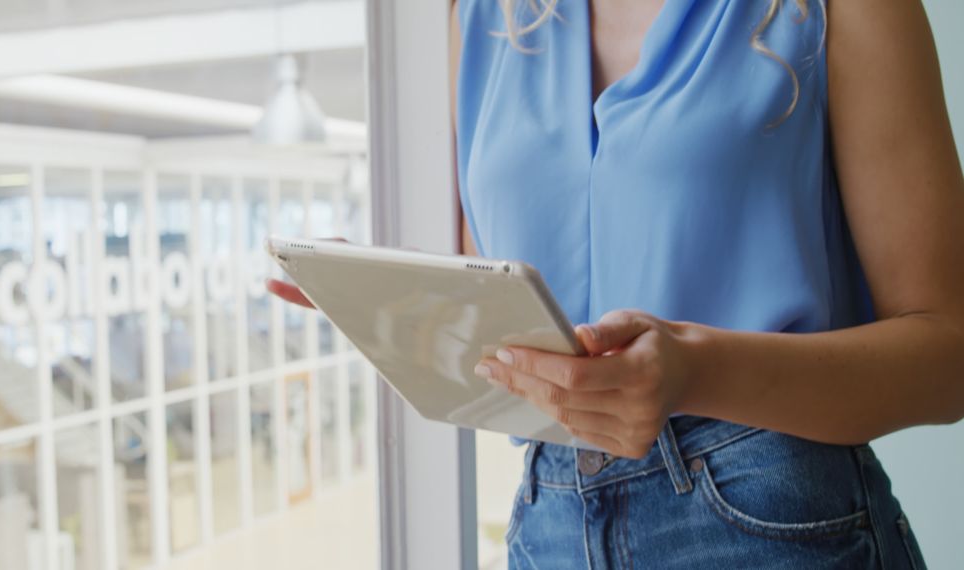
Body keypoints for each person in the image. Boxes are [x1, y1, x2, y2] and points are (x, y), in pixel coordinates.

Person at [269, 0, 964, 566]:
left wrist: (695, 370)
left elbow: (949, 354)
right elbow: (506, 287)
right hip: (551, 523)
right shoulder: (482, 20)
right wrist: (388, 296)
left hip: (773, 523)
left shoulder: (836, 8)